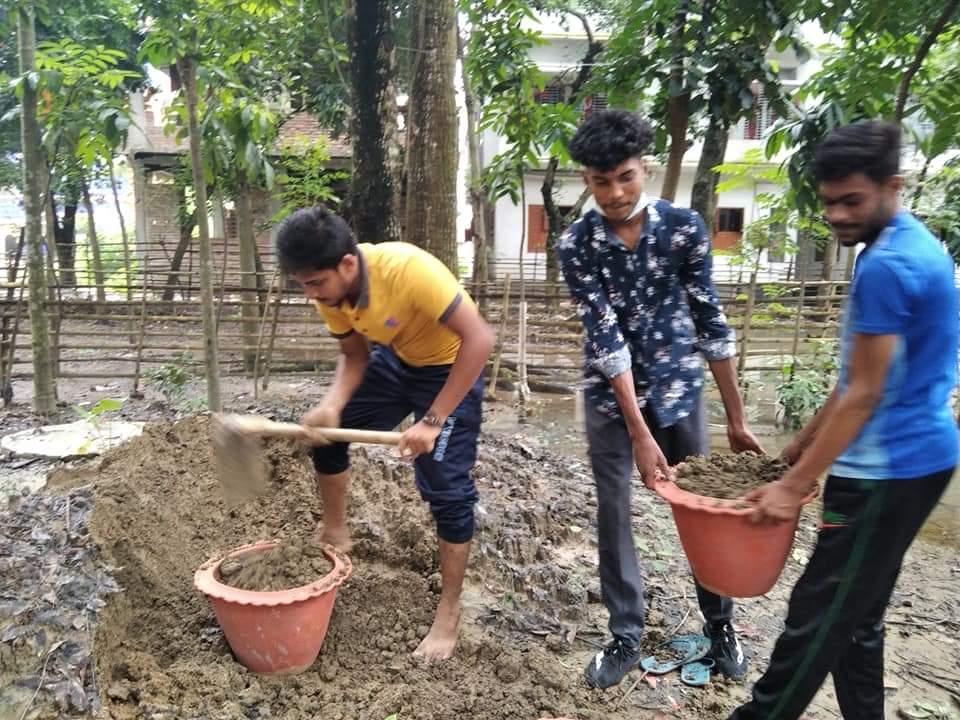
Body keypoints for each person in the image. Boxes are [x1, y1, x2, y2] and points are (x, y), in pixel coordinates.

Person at [728, 121, 958, 719]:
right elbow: (858, 375)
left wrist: (792, 486)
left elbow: (865, 394)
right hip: (921, 459)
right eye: (828, 202)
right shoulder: (910, 244)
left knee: (817, 617)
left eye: (851, 201)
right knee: (858, 617)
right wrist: (797, 448)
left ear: (893, 186)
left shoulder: (887, 266)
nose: (836, 215)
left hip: (886, 471)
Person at [556, 110, 763, 690]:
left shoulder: (683, 229)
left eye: (625, 176)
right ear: (586, 180)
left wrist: (736, 419)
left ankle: (720, 624)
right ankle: (626, 632)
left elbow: (711, 322)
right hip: (610, 400)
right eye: (601, 182)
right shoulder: (577, 244)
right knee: (614, 507)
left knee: (699, 509)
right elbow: (606, 340)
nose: (616, 193)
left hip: (679, 390)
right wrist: (640, 433)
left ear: (643, 167)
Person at [275, 206, 496, 662]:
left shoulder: (409, 271)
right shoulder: (331, 292)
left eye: (315, 283)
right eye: (303, 285)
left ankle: (449, 609)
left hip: (451, 366)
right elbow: (355, 355)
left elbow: (480, 339)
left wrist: (433, 420)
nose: (310, 294)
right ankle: (335, 530)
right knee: (330, 435)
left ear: (347, 264)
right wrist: (333, 404)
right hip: (397, 360)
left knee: (447, 489)